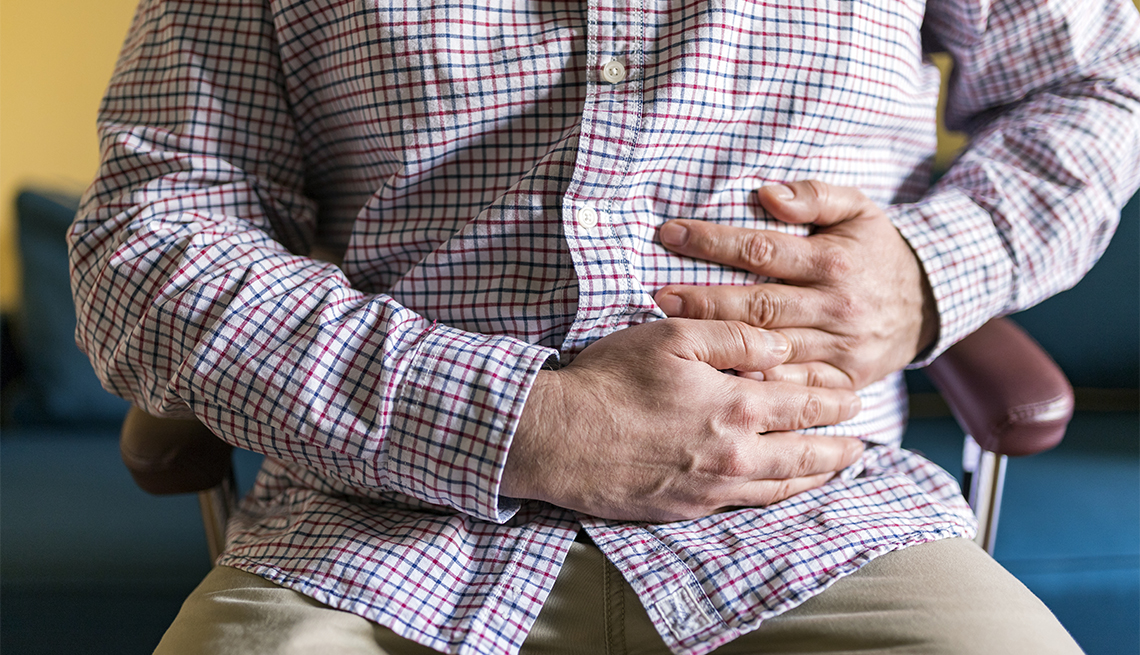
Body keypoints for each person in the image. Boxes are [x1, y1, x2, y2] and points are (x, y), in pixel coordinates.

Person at [68, 0, 1139, 652]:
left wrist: (925, 270)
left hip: (827, 533)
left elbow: (1095, 87)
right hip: (370, 537)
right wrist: (526, 424)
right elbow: (148, 235)